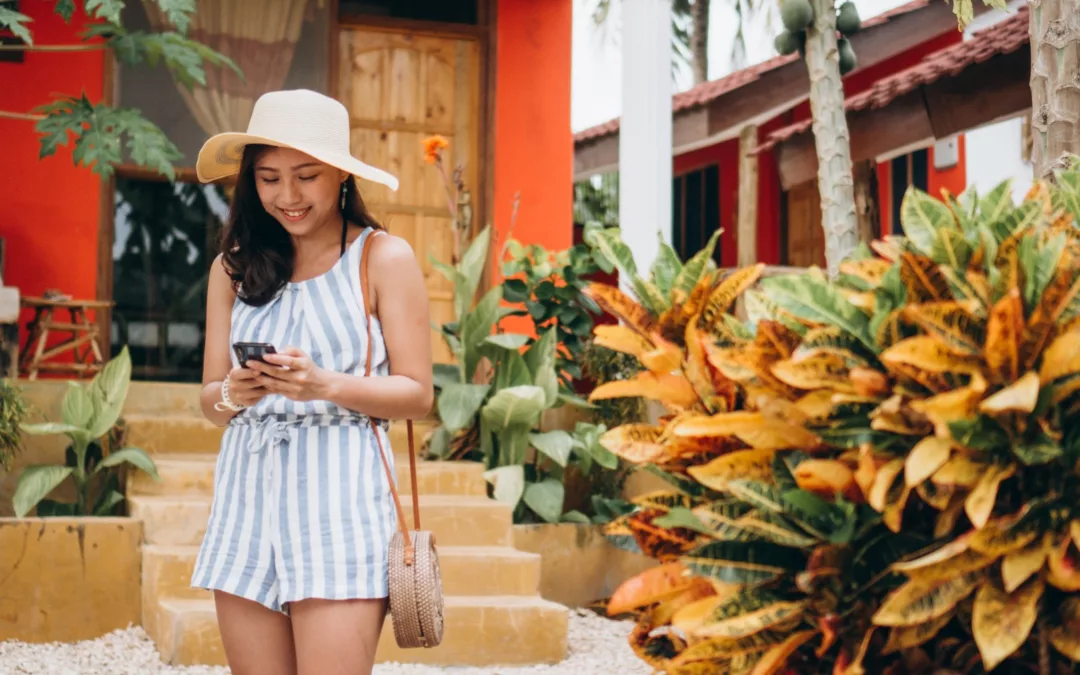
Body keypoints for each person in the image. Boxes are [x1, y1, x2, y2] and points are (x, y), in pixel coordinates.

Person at [188, 89, 434, 675]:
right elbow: (208, 399)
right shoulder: (233, 267)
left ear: (342, 176)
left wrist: (323, 384)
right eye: (269, 178)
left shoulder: (384, 258)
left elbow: (418, 395)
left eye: (306, 175)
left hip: (341, 503)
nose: (288, 196)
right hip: (246, 501)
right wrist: (236, 393)